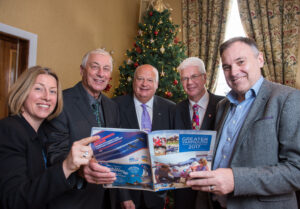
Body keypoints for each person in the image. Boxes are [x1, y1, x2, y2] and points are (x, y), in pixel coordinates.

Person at [187, 37, 300, 209]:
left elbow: (296, 171)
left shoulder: (287, 99)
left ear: (260, 59)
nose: (233, 72)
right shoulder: (222, 106)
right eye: (226, 67)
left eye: (241, 62)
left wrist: (236, 180)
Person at [0, 66, 106, 209]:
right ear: (23, 92)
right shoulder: (9, 130)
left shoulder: (43, 132)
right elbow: (14, 200)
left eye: (53, 91)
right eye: (38, 88)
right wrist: (67, 166)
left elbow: (48, 183)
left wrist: (81, 170)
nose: (47, 97)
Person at [45, 48, 119, 209]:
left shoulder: (112, 106)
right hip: (74, 199)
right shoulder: (61, 102)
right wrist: (80, 169)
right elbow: (54, 153)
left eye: (106, 69)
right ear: (82, 70)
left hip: (107, 199)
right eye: (95, 67)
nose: (101, 73)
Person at [113, 64, 175, 209]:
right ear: (133, 81)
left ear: (157, 84)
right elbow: (112, 154)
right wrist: (123, 196)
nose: (144, 84)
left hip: (156, 193)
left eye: (150, 80)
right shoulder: (115, 106)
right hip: (125, 190)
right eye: (140, 79)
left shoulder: (171, 109)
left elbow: (172, 151)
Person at [173, 57, 224, 209]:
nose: (189, 82)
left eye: (194, 76)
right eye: (184, 78)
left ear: (204, 77)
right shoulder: (175, 110)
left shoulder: (223, 105)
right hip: (184, 188)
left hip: (215, 188)